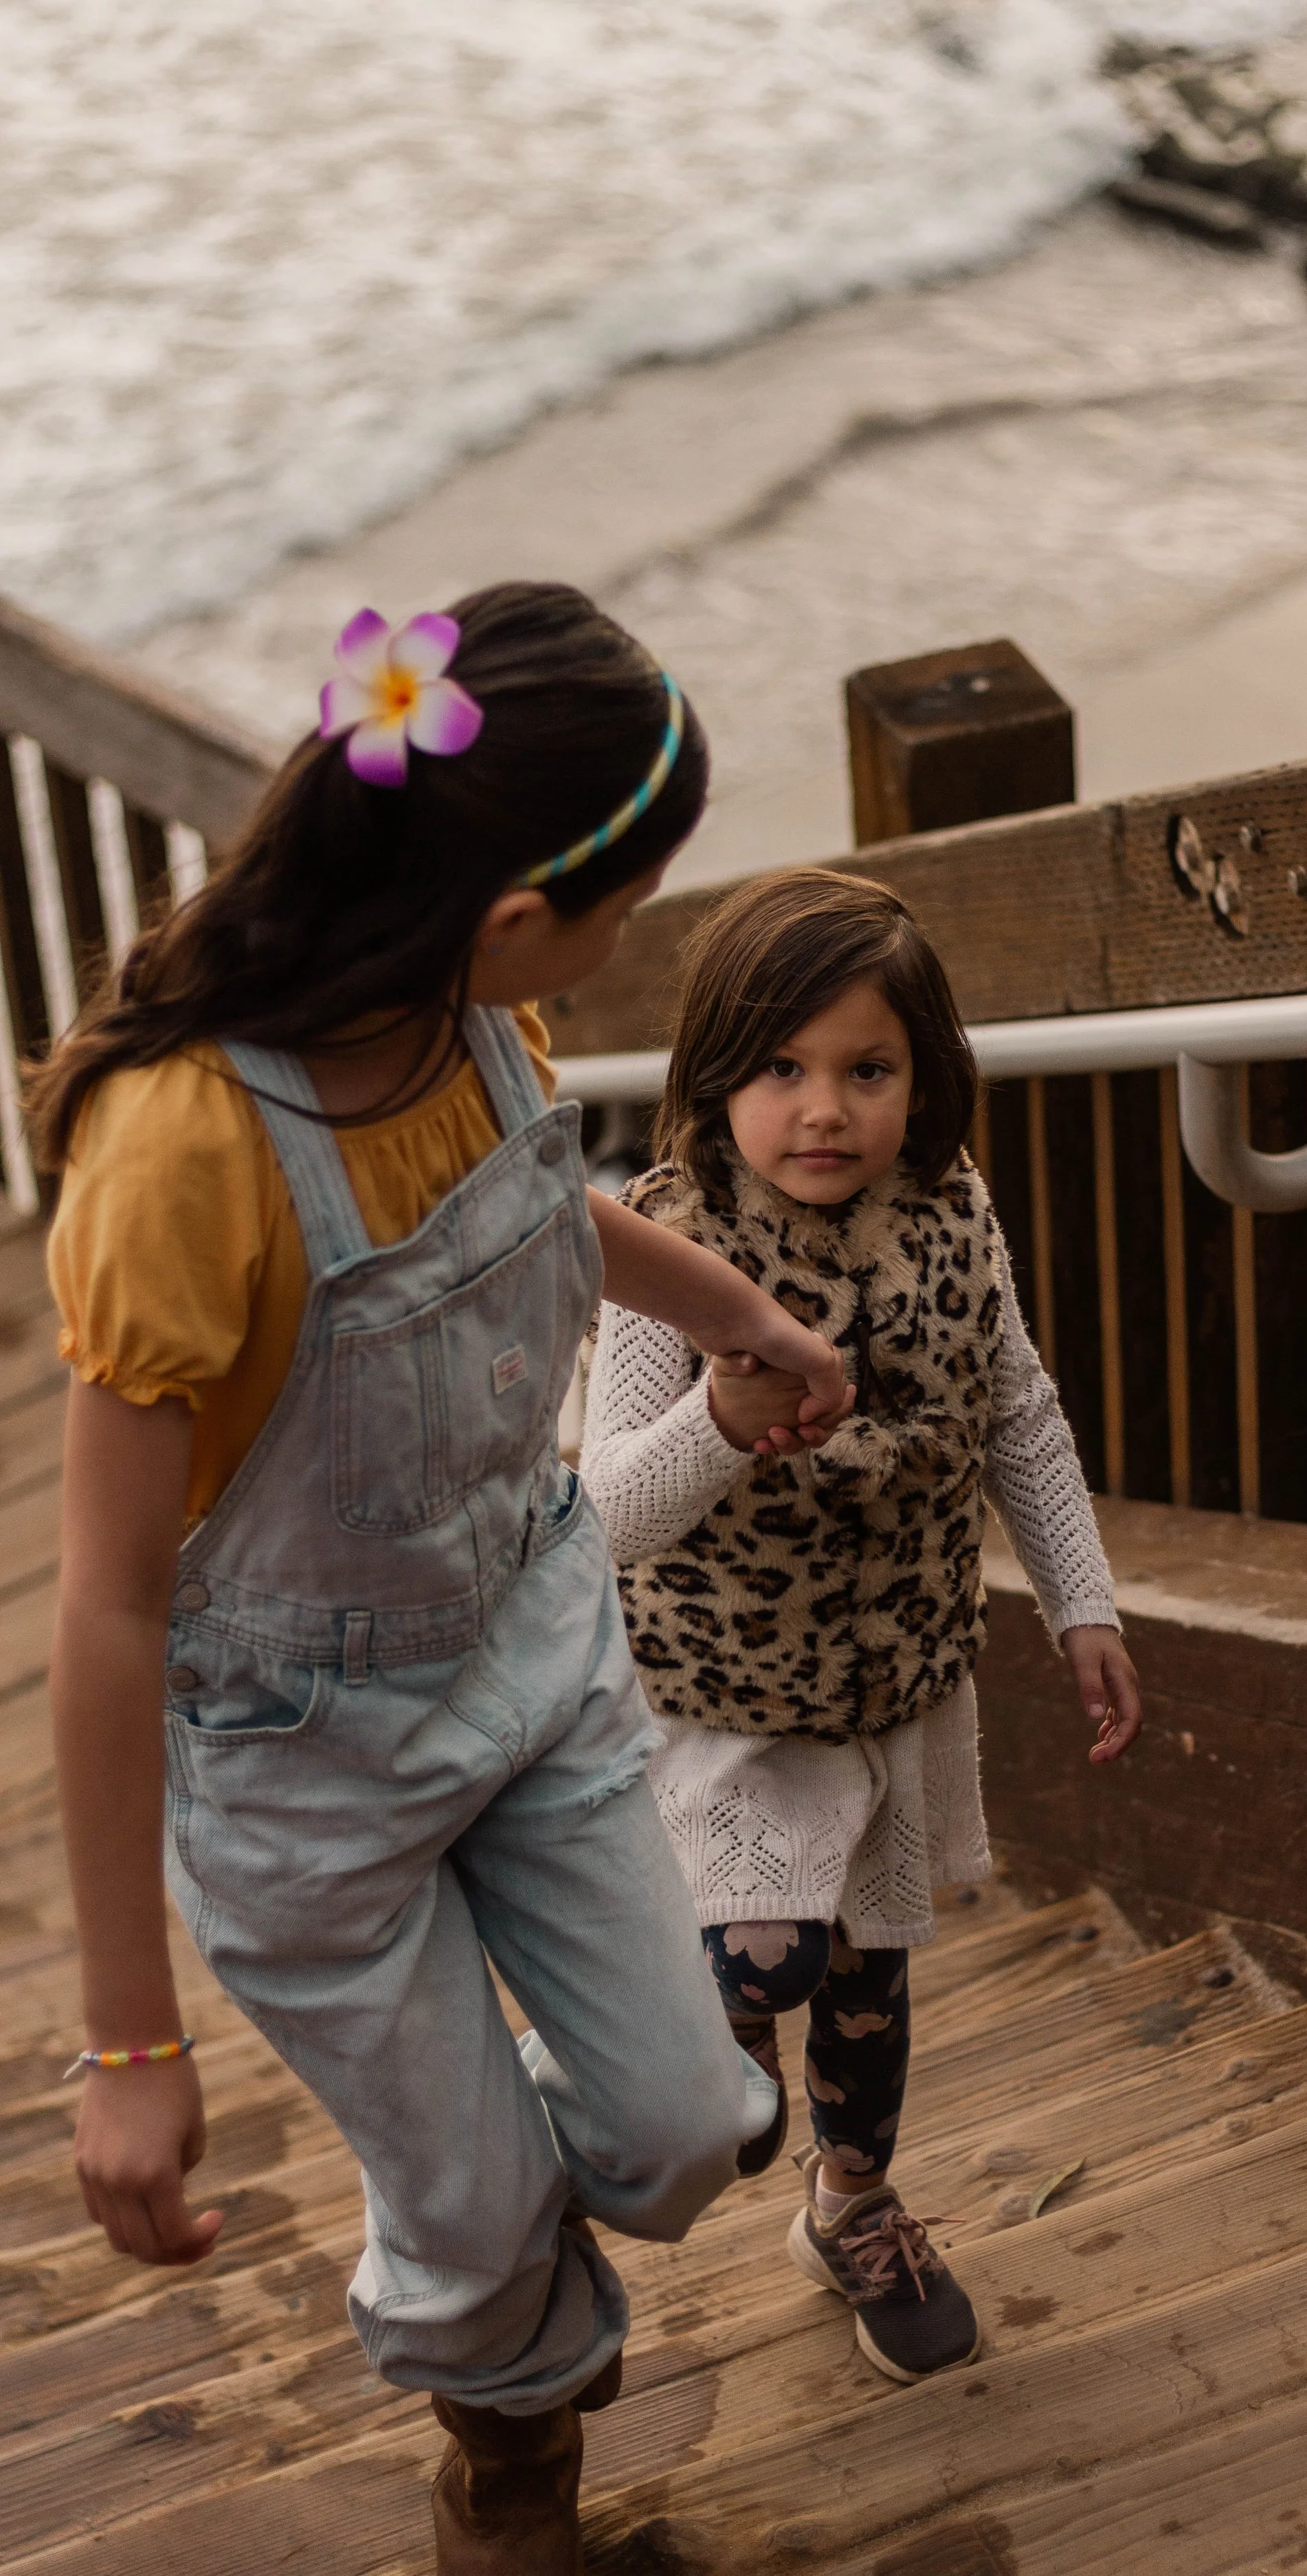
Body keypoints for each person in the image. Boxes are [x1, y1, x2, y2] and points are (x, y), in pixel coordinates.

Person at [34, 584, 853, 2576]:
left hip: (535, 1656)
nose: (639, 926)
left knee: (678, 2128)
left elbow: (527, 1199)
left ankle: (498, 2245)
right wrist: (127, 2042)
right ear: (507, 912)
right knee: (482, 2229)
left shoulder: (477, 1011)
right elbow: (103, 1609)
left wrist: (739, 1303)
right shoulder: (179, 1153)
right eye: (629, 892)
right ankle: (509, 2426)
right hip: (310, 1772)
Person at [579, 868, 1142, 2387]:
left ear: (922, 1079)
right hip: (723, 1691)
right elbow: (604, 1518)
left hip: (895, 1676)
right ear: (714, 1073)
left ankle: (855, 2205)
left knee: (869, 1984)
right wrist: (712, 1412)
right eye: (781, 1069)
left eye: (866, 1071)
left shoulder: (954, 1219)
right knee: (766, 1957)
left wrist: (1077, 1603)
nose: (821, 1110)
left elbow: (1017, 1413)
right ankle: (674, 2032)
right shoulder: (666, 1242)